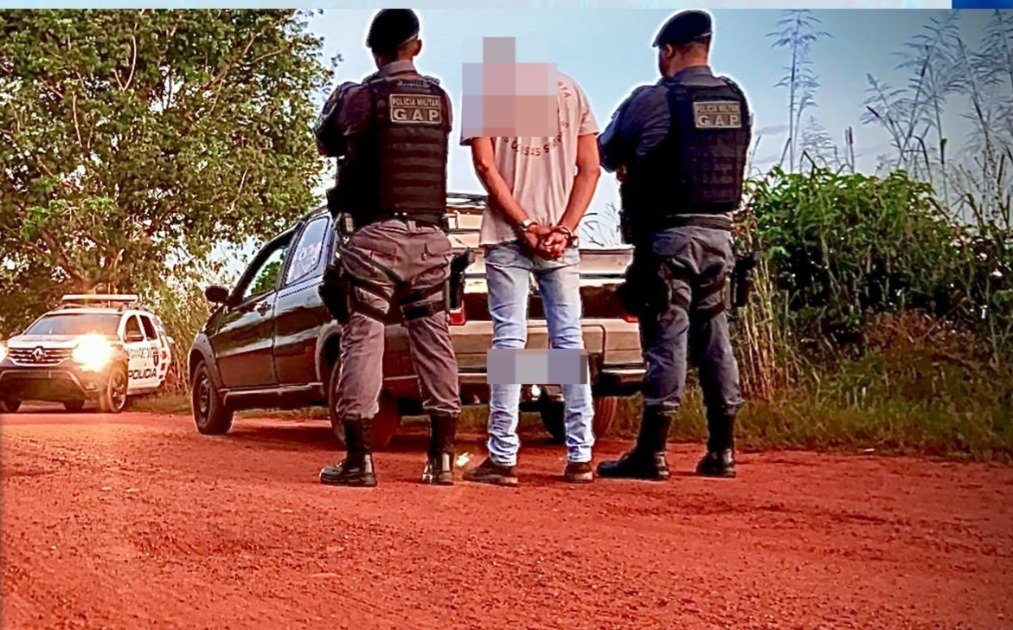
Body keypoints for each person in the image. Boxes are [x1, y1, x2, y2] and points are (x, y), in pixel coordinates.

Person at [596, 10, 752, 480]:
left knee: (666, 340)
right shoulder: (735, 99)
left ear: (667, 52)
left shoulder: (654, 99)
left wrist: (634, 162)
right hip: (720, 237)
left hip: (669, 241)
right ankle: (722, 451)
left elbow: (606, 151)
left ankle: (653, 452)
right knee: (716, 341)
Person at [313, 9, 460, 487]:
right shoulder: (440, 99)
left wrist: (339, 100)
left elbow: (325, 142)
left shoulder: (363, 98)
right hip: (431, 240)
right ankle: (441, 460)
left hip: (376, 240)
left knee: (363, 337)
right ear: (416, 46)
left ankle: (360, 461)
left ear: (375, 54)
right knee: (433, 340)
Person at [460, 67, 602, 485]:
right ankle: (580, 455)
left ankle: (503, 456)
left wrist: (524, 224)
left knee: (509, 342)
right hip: (560, 238)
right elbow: (590, 169)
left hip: (508, 235)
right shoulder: (572, 88)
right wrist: (565, 229)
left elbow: (485, 165)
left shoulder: (486, 87)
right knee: (569, 342)